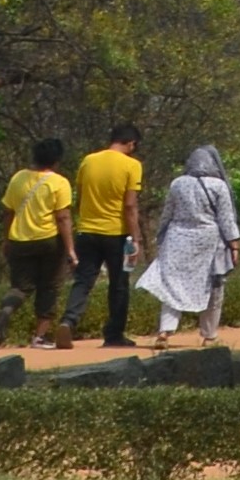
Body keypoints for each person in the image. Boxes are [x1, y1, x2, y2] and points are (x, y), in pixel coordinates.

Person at [138, 144, 240, 345]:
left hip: (176, 238)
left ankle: (165, 331)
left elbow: (167, 214)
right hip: (208, 242)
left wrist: (160, 237)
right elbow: (226, 219)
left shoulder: (177, 183)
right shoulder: (218, 186)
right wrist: (234, 245)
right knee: (213, 286)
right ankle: (209, 334)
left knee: (171, 285)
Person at [71, 124, 146, 349]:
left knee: (83, 280)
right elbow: (130, 206)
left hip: (86, 231)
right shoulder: (132, 165)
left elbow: (80, 196)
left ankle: (68, 321)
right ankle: (114, 335)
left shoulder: (88, 160)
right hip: (117, 234)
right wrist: (136, 239)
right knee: (119, 284)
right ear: (131, 143)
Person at [3, 139, 78, 348]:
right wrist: (71, 250)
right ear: (56, 160)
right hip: (49, 241)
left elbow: (8, 212)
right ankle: (39, 336)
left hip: (19, 240)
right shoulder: (59, 182)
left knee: (20, 287)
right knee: (49, 287)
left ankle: (8, 307)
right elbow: (63, 218)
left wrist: (6, 239)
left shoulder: (17, 178)